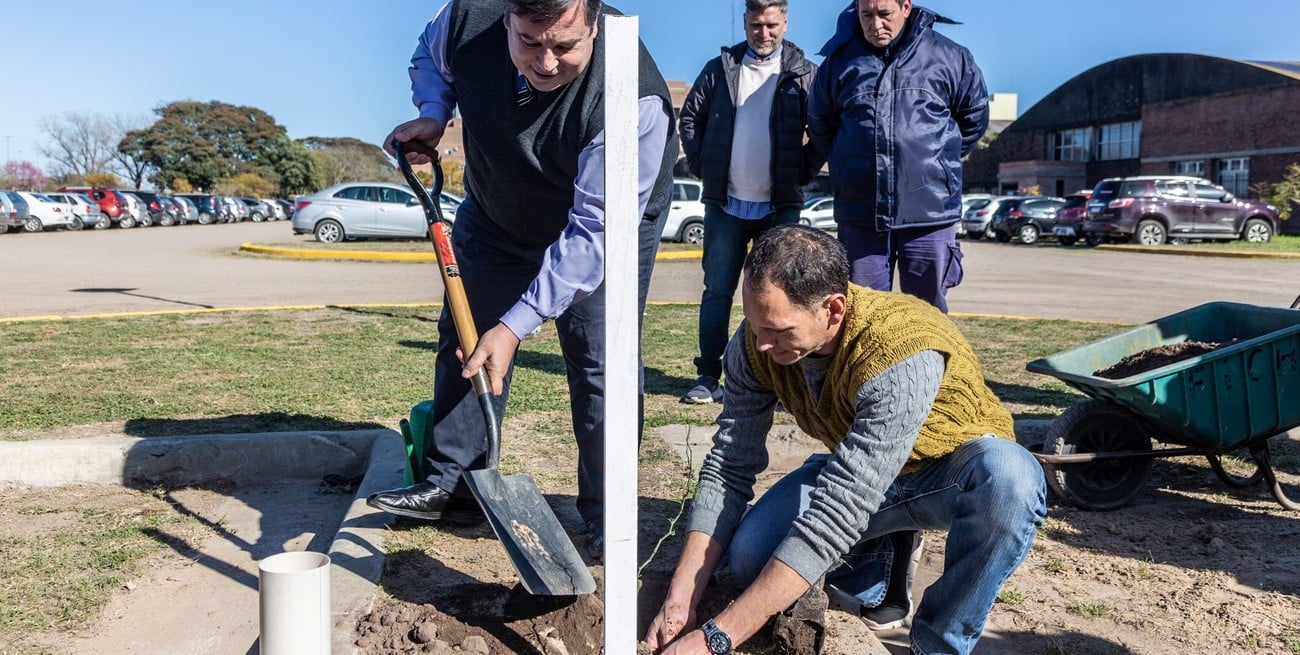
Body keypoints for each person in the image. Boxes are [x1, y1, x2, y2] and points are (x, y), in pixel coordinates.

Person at [367, 0, 679, 562]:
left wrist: (515, 327)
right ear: (506, 18)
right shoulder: (467, 16)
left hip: (598, 224)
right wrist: (435, 113)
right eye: (530, 42)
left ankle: (609, 514)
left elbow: (593, 240)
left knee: (601, 361)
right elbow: (429, 58)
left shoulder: (633, 96)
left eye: (565, 45)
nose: (547, 62)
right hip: (497, 209)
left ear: (593, 21)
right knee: (466, 338)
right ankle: (457, 485)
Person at [645, 224, 1045, 655]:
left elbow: (841, 509)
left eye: (778, 331)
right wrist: (679, 600)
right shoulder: (753, 346)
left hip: (948, 473)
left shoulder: (900, 349)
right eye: (755, 323)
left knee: (1011, 481)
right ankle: (881, 568)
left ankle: (939, 643)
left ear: (833, 310)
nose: (760, 343)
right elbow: (728, 466)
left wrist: (716, 638)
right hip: (860, 468)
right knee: (750, 557)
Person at [804, 0, 989, 314]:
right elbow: (821, 124)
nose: (876, 25)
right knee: (862, 315)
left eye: (884, 14)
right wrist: (847, 165)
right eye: (867, 15)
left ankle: (929, 365)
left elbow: (974, 119)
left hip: (929, 213)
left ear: (906, 6)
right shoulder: (839, 62)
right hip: (862, 213)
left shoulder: (951, 56)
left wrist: (938, 161)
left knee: (927, 315)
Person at [676, 0, 818, 405]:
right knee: (717, 291)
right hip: (726, 204)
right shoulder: (721, 68)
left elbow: (822, 127)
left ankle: (778, 380)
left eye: (772, 24)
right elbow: (690, 117)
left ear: (785, 22)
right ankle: (708, 375)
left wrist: (802, 172)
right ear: (745, 22)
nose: (764, 33)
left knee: (782, 294)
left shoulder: (804, 73)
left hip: (779, 206)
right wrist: (705, 165)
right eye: (756, 25)